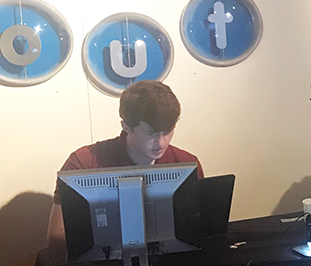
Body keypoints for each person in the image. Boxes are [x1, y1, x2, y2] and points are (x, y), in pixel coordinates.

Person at [47, 81, 203, 245]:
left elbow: (199, 229)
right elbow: (57, 238)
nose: (161, 142)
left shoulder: (186, 163)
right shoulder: (84, 163)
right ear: (126, 127)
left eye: (167, 132)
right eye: (151, 133)